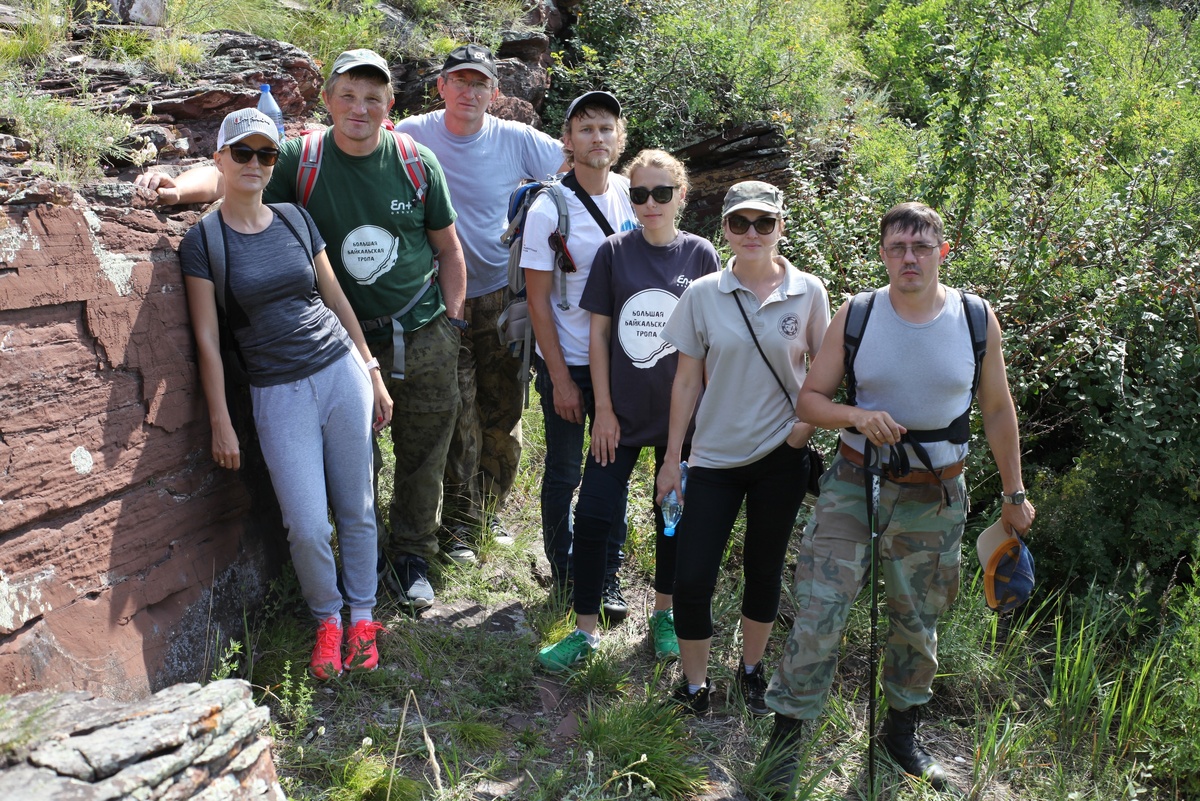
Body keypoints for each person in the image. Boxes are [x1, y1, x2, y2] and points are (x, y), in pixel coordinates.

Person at [136, 49, 468, 611]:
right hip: (342, 340)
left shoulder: (416, 162)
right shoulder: (302, 158)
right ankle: (368, 561)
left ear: (389, 106)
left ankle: (413, 554)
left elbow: (449, 251)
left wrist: (454, 324)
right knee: (363, 461)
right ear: (329, 101)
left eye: (372, 98)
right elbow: (238, 170)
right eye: (348, 96)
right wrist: (175, 186)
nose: (359, 108)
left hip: (423, 326)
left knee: (425, 446)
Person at [755, 202, 1037, 795]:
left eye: (921, 247)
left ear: (943, 250)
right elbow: (811, 401)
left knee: (917, 623)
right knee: (818, 611)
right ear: (883, 254)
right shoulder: (858, 314)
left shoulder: (975, 319)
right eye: (897, 248)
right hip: (854, 486)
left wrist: (1014, 492)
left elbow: (997, 408)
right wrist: (856, 415)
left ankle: (901, 736)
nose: (909, 258)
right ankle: (785, 745)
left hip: (935, 498)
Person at [178, 108, 393, 680]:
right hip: (277, 393)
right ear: (219, 159)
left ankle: (364, 618)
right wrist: (220, 420)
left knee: (357, 507)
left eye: (265, 154)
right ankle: (327, 620)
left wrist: (369, 368)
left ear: (275, 163)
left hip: (339, 371)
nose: (254, 163)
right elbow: (206, 341)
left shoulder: (297, 219)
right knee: (307, 522)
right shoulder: (203, 242)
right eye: (242, 152)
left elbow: (335, 296)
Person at [536, 149, 719, 672]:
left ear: (681, 195)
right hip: (622, 415)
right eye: (639, 193)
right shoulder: (616, 252)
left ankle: (663, 615)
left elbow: (706, 346)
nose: (650, 203)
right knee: (593, 512)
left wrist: (685, 444)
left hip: (681, 420)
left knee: (673, 518)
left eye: (663, 192)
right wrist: (606, 412)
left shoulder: (701, 254)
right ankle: (584, 630)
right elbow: (597, 337)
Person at [656, 181, 830, 716]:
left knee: (764, 570)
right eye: (740, 223)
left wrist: (800, 436)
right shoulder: (703, 294)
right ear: (725, 229)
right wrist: (670, 460)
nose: (752, 233)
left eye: (764, 223)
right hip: (713, 459)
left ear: (781, 226)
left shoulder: (810, 292)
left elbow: (827, 374)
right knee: (691, 578)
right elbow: (686, 381)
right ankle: (694, 685)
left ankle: (751, 671)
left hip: (783, 457)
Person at [395, 45, 565, 554]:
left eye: (480, 84)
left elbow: (581, 164)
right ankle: (460, 526)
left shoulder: (515, 139)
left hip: (501, 297)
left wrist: (647, 197)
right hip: (438, 299)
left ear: (494, 93)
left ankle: (486, 513)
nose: (469, 92)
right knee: (457, 411)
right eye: (459, 81)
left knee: (503, 409)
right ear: (441, 87)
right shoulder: (410, 136)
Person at [521, 91, 639, 615]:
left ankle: (606, 575)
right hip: (567, 361)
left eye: (606, 128)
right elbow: (538, 300)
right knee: (567, 470)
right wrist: (561, 380)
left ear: (620, 138)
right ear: (568, 140)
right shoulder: (550, 206)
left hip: (623, 365)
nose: (598, 138)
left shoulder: (635, 194)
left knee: (610, 472)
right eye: (586, 129)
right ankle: (565, 572)